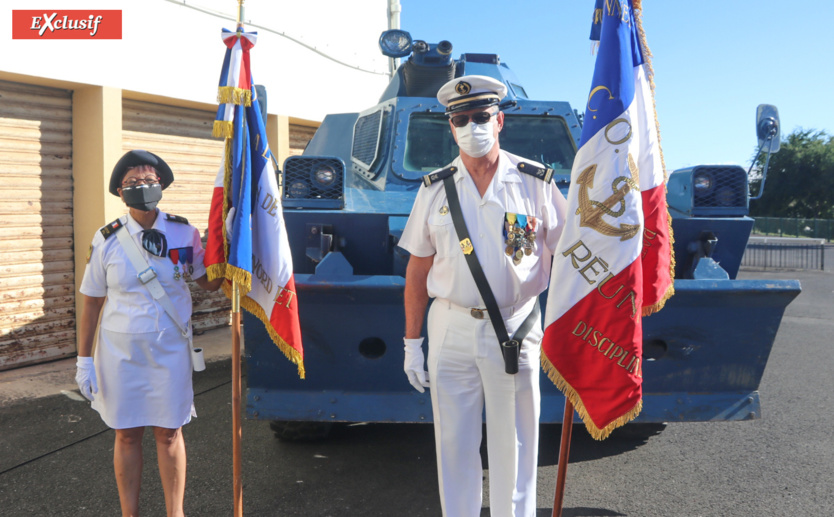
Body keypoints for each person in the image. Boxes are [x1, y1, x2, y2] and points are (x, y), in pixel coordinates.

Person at [399, 75, 568, 517]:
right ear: (451, 127)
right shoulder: (435, 188)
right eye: (461, 119)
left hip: (515, 325)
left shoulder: (535, 184)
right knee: (452, 442)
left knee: (514, 442)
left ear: (500, 121)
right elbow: (417, 270)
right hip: (450, 326)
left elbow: (570, 257)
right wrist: (411, 345)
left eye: (480, 117)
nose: (472, 126)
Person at [74, 150, 223, 517]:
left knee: (169, 432)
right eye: (133, 183)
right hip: (120, 353)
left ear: (162, 185)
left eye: (149, 180)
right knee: (126, 433)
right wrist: (84, 361)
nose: (142, 187)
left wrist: (229, 242)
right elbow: (92, 302)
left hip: (169, 349)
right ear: (120, 193)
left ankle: (176, 513)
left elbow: (209, 283)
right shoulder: (107, 238)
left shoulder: (184, 232)